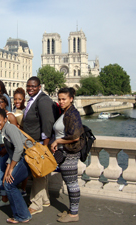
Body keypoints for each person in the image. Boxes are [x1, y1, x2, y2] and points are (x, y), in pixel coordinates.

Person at [0, 108, 32, 223]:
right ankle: (23, 214)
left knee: (9, 184)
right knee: (8, 183)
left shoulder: (10, 128)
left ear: (5, 119)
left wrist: (11, 168)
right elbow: (12, 153)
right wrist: (8, 169)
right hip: (22, 158)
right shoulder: (4, 130)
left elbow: (19, 148)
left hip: (26, 158)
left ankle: (22, 215)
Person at [50, 87, 84, 223]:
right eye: (59, 99)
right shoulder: (67, 112)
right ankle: (71, 210)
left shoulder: (72, 114)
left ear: (71, 99)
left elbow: (75, 136)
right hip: (65, 151)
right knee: (69, 182)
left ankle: (74, 214)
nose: (61, 101)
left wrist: (57, 141)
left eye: (64, 99)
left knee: (72, 183)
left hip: (69, 153)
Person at [22, 77, 55, 215]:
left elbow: (47, 123)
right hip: (33, 143)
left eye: (33, 86)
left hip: (38, 144)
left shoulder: (43, 100)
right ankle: (45, 199)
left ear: (39, 86)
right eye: (28, 86)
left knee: (38, 173)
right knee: (42, 172)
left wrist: (44, 146)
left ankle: (36, 204)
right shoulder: (34, 99)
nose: (30, 88)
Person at [0, 95, 18, 208]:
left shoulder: (9, 116)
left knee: (2, 173)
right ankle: (4, 196)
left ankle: (5, 198)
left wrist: (5, 148)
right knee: (0, 173)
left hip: (5, 149)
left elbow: (15, 134)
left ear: (6, 103)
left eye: (1, 102)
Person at [13, 87, 28, 196]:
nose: (17, 101)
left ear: (23, 99)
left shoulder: (26, 111)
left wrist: (19, 128)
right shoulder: (14, 110)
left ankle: (23, 189)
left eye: (19, 99)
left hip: (23, 142)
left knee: (23, 166)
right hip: (15, 141)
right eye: (15, 99)